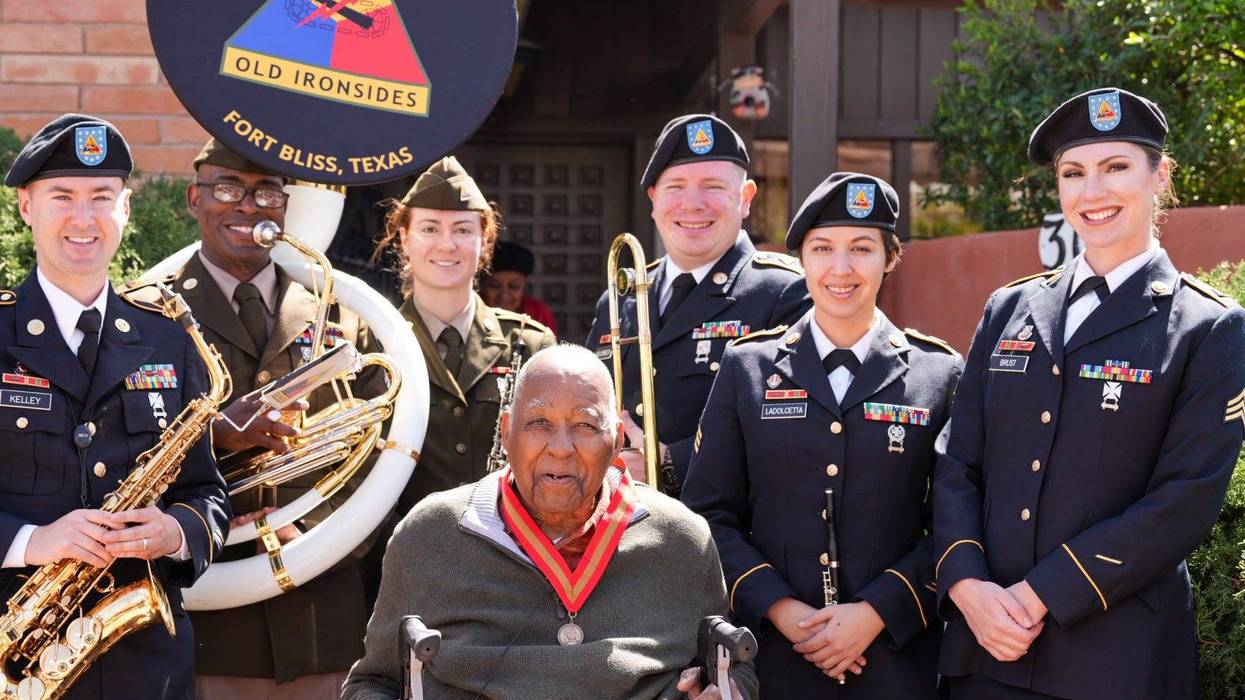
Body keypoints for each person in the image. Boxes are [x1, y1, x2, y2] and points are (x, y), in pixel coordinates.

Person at [934, 87, 1245, 699]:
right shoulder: (1011, 308)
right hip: (983, 654)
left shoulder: (1207, 326)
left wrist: (1039, 593)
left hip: (1114, 661)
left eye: (1116, 167)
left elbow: (1184, 499)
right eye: (1073, 173)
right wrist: (968, 587)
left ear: (1160, 176)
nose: (1092, 192)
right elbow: (956, 462)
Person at [122, 139, 386, 699]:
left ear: (284, 206)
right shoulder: (142, 314)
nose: (248, 206)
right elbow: (119, 451)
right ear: (195, 199)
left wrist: (319, 531)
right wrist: (213, 441)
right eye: (227, 189)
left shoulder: (334, 307)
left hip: (322, 619)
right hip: (205, 621)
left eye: (266, 191)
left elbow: (380, 443)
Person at [343, 344, 758, 699]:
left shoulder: (680, 539)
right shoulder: (431, 534)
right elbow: (373, 681)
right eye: (539, 423)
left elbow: (730, 665)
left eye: (584, 425)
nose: (560, 448)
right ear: (506, 433)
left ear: (616, 441)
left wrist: (725, 689)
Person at [683, 173, 960, 698]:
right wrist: (782, 611)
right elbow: (707, 516)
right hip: (771, 659)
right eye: (822, 248)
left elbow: (953, 521)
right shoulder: (747, 368)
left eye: (861, 248)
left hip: (896, 663)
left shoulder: (938, 373)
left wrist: (879, 611)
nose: (841, 268)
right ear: (801, 261)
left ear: (890, 258)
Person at [0, 114, 228, 699]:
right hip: (15, 656)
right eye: (62, 197)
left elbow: (206, 492)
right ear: (27, 206)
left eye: (102, 197)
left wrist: (175, 531)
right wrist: (33, 541)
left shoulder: (168, 338)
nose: (83, 218)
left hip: (145, 667)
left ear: (125, 208)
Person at [586, 114, 810, 495]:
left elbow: (791, 426)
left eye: (713, 186)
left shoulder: (785, 293)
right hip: (619, 530)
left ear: (746, 199)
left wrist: (665, 463)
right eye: (676, 186)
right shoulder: (620, 299)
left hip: (727, 537)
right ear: (654, 199)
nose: (693, 204)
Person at [368, 156, 556, 518]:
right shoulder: (371, 339)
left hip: (508, 553)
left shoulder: (531, 344)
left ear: (484, 241)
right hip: (393, 557)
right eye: (429, 229)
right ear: (405, 238)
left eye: (462, 230)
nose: (447, 244)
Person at [480, 239, 559, 333]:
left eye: (514, 286)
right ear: (483, 285)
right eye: (494, 286)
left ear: (524, 285)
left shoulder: (539, 312)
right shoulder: (469, 310)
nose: (504, 295)